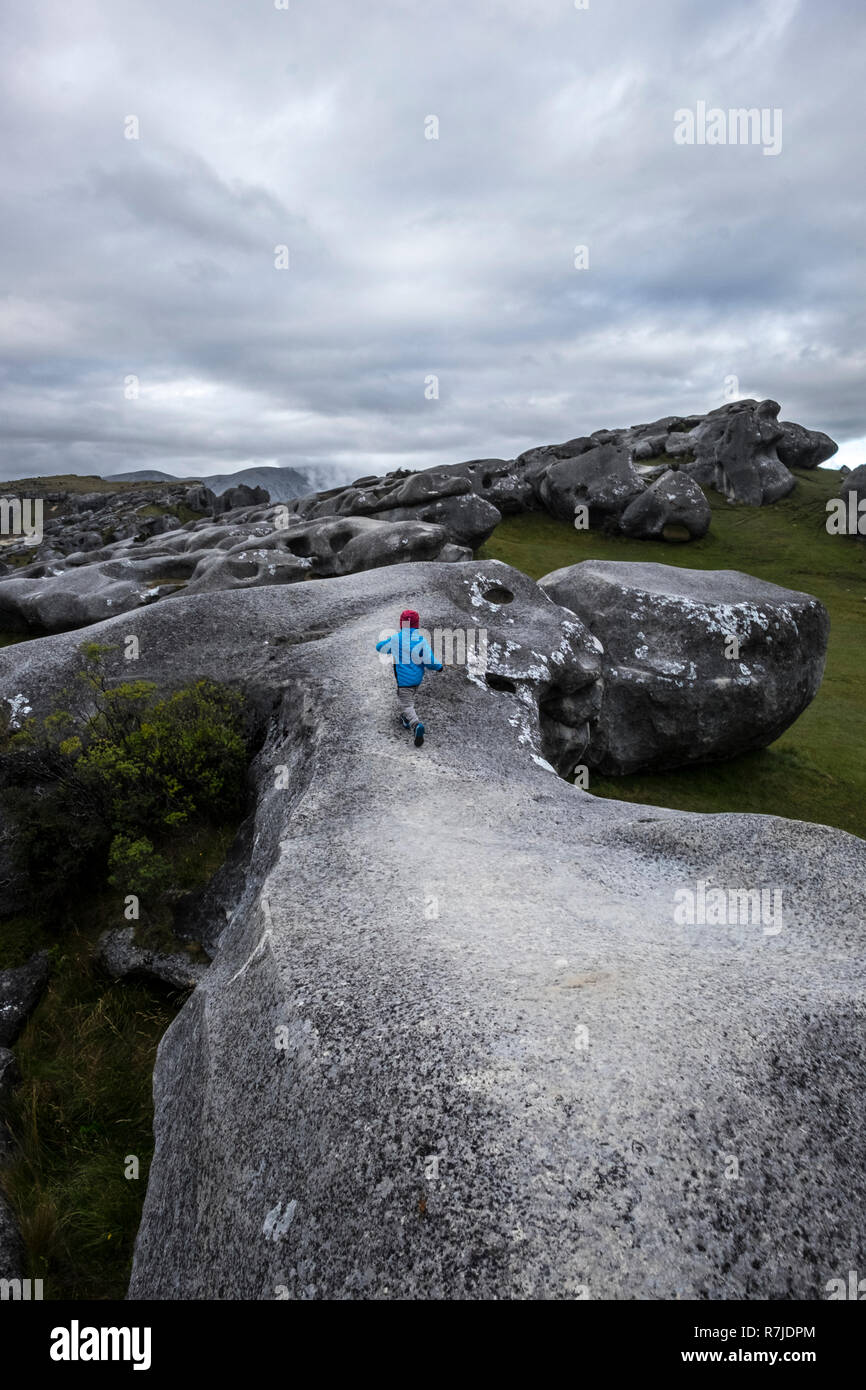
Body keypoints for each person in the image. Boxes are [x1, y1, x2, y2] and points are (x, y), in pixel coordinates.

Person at [375, 608, 442, 747]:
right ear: (416, 625)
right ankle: (406, 719)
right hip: (417, 680)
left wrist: (390, 640)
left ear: (401, 624)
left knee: (406, 703)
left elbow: (380, 648)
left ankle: (416, 725)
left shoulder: (396, 639)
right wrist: (439, 667)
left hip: (404, 681)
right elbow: (429, 661)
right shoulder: (421, 640)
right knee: (409, 698)